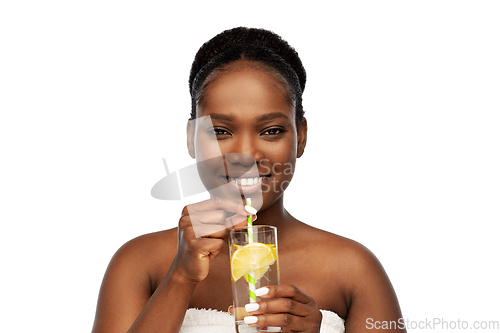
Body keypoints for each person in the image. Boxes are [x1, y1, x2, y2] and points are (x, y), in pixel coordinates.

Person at [91, 27, 406, 333]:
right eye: (220, 132)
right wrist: (180, 278)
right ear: (191, 138)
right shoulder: (140, 264)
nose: (245, 154)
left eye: (271, 131)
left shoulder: (353, 269)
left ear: (301, 137)